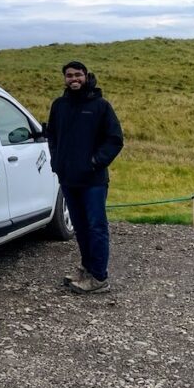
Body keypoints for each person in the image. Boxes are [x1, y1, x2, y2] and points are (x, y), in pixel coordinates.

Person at [45, 60, 124, 294]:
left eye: (78, 75)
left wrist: (94, 162)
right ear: (65, 79)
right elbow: (52, 136)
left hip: (93, 181)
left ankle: (99, 277)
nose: (74, 79)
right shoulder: (59, 105)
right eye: (69, 75)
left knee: (96, 226)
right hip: (68, 179)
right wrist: (56, 161)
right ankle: (87, 268)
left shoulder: (100, 106)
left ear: (86, 76)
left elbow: (115, 139)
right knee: (80, 227)